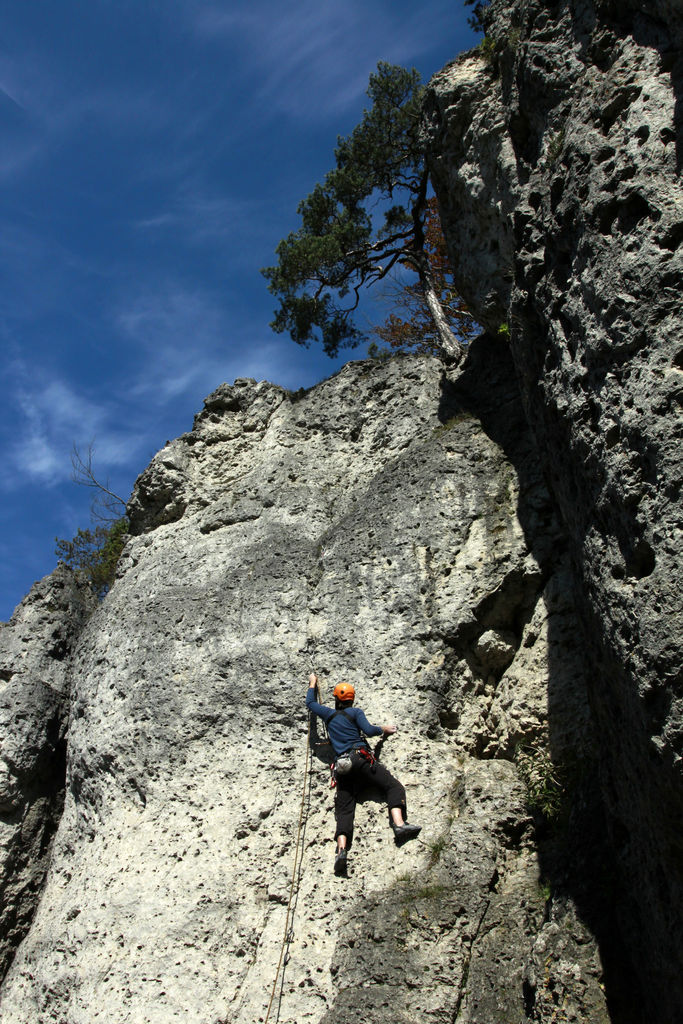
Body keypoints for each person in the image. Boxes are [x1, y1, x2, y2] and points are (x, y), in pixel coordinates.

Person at [306, 672, 421, 876]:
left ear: (335, 699)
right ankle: (399, 824)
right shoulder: (356, 712)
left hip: (342, 767)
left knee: (344, 809)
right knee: (393, 786)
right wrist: (383, 729)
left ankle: (341, 850)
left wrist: (313, 684)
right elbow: (368, 730)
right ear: (352, 699)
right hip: (360, 758)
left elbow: (310, 704)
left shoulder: (327, 714)